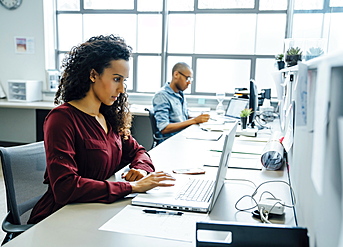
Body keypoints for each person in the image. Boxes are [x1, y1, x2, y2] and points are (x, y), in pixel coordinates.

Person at [28, 35, 175, 224]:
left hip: (98, 209)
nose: (121, 89)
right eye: (116, 79)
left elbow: (138, 151)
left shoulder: (109, 118)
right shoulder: (62, 119)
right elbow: (65, 187)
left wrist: (141, 170)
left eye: (124, 81)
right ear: (93, 75)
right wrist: (131, 187)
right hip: (60, 217)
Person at [152, 62, 210, 141]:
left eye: (190, 79)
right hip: (171, 141)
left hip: (183, 136)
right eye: (187, 78)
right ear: (176, 75)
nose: (189, 82)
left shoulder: (180, 94)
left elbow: (184, 117)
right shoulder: (162, 96)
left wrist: (200, 118)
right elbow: (164, 128)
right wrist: (194, 121)